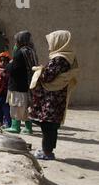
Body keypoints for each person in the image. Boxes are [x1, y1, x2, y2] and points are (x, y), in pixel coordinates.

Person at [29, 30, 79, 160]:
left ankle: (47, 152)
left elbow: (47, 77)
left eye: (51, 42)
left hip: (52, 99)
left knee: (48, 126)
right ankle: (48, 150)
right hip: (57, 97)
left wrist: (40, 70)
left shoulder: (59, 59)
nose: (49, 45)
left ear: (59, 42)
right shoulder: (68, 57)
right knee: (51, 126)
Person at [4, 31, 39, 134]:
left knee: (16, 106)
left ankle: (16, 127)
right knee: (26, 107)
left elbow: (13, 69)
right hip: (28, 84)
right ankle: (28, 128)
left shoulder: (20, 53)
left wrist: (8, 65)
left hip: (18, 85)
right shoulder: (31, 51)